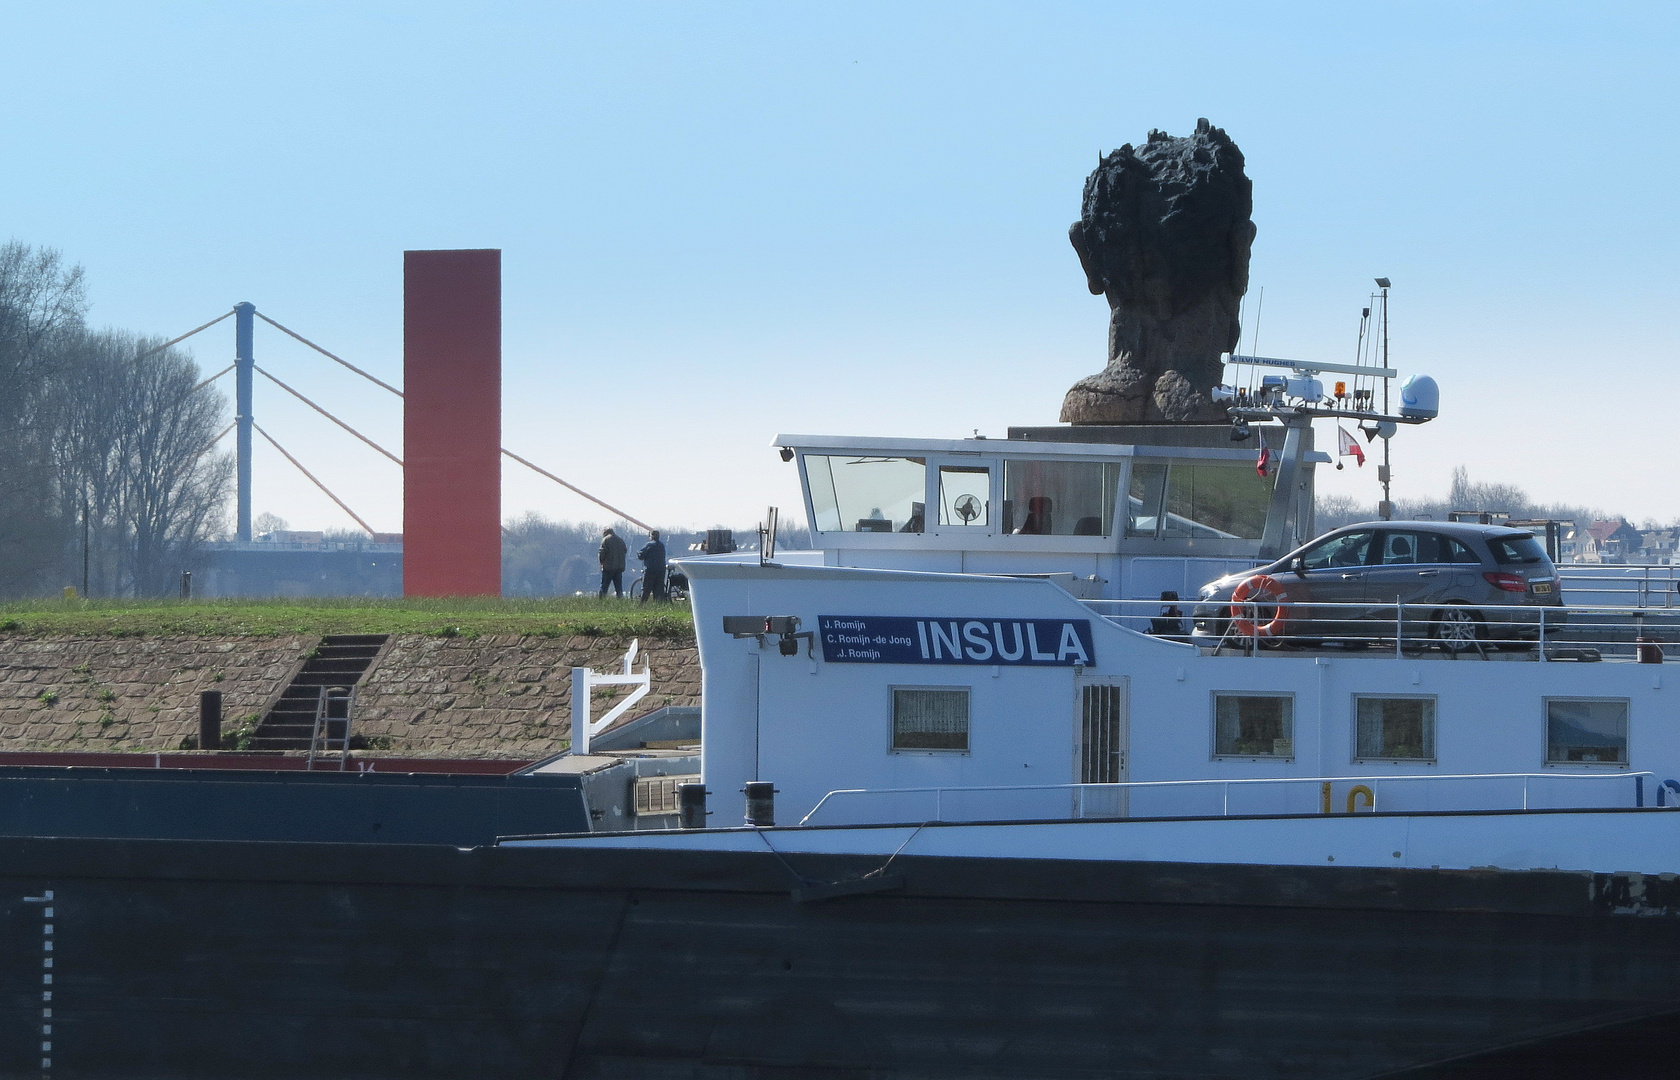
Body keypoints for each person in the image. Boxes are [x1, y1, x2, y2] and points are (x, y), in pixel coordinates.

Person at [638, 529, 668, 603]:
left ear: (651, 536)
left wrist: (638, 553)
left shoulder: (649, 545)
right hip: (661, 570)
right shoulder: (661, 545)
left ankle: (642, 604)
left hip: (650, 570)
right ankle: (658, 605)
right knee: (658, 589)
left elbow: (641, 555)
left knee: (646, 589)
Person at [597, 527, 627, 598]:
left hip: (608, 568)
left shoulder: (606, 540)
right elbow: (625, 551)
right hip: (619, 568)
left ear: (605, 533)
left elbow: (602, 553)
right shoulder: (620, 540)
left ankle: (601, 602)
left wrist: (601, 562)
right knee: (619, 589)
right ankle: (620, 602)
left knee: (604, 588)